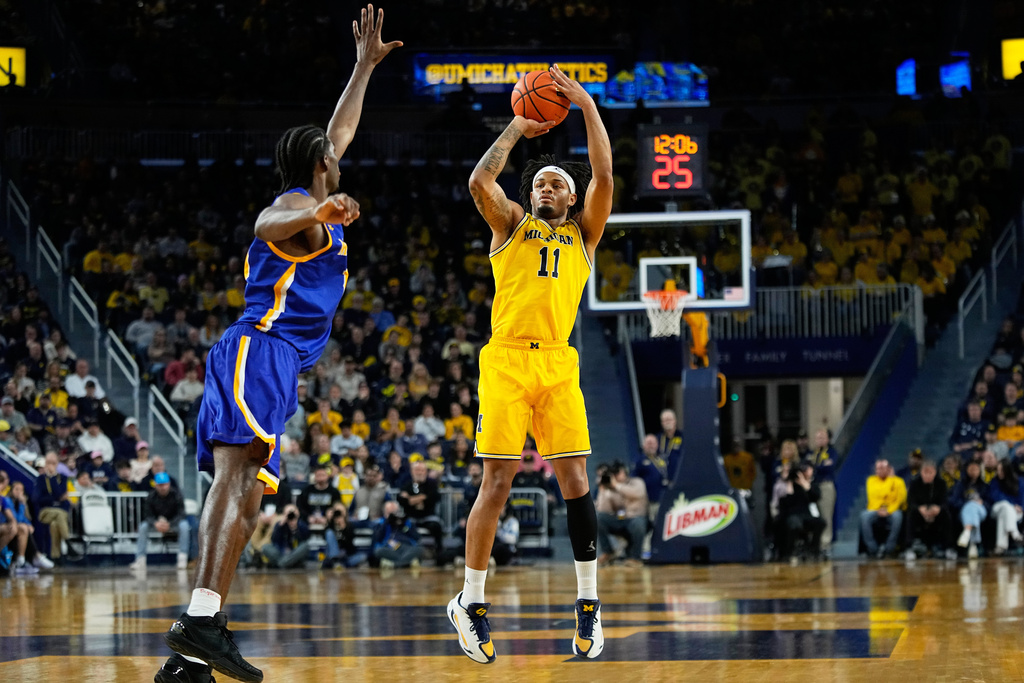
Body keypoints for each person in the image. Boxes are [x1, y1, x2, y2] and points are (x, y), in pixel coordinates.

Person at [156, 9, 401, 683]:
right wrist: (316, 212)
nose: (338, 148)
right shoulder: (295, 206)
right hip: (258, 349)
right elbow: (268, 220)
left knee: (241, 488)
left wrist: (363, 67)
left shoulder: (319, 177)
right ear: (321, 166)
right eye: (331, 151)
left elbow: (341, 130)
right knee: (238, 482)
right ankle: (200, 623)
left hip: (271, 360)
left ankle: (190, 654)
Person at [448, 63, 613, 664]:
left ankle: (589, 608)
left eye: (556, 184)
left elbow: (603, 173)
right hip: (508, 361)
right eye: (539, 183)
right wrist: (519, 126)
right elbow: (478, 181)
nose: (546, 188)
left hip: (557, 363)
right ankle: (471, 601)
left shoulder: (585, 236)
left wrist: (588, 107)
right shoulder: (511, 225)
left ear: (572, 199)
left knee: (576, 482)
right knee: (497, 481)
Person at [131, 472, 190, 571]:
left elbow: (181, 514)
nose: (163, 487)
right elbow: (147, 515)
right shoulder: (151, 496)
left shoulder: (176, 495)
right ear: (156, 485)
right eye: (160, 485)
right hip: (156, 524)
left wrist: (169, 524)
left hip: (173, 523)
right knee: (143, 527)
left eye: (165, 484)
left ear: (169, 484)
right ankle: (140, 559)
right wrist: (155, 523)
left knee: (184, 526)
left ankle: (182, 557)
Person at [595, 461, 649, 567]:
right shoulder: (612, 489)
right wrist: (603, 489)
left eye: (618, 472)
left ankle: (635, 557)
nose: (616, 476)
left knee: (638, 523)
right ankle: (608, 552)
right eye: (613, 474)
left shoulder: (637, 482)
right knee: (599, 518)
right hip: (620, 520)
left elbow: (637, 493)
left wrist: (617, 485)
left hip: (637, 519)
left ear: (625, 471)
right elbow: (604, 509)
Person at [905, 460, 955, 560]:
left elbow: (945, 501)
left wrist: (938, 508)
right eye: (925, 472)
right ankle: (909, 548)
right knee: (910, 514)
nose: (927, 475)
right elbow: (910, 502)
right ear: (921, 472)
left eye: (930, 472)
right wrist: (920, 509)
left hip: (936, 512)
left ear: (935, 472)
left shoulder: (941, 483)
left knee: (946, 514)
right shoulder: (914, 483)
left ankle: (949, 548)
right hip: (919, 512)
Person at [775, 462, 825, 560]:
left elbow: (815, 496)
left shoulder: (809, 484)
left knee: (820, 522)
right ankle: (790, 551)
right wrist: (789, 482)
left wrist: (803, 482)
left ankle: (813, 549)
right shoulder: (788, 485)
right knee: (794, 523)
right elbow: (786, 502)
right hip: (792, 514)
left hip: (806, 515)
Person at [859, 458, 907, 558]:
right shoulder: (871, 480)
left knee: (898, 516)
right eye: (878, 468)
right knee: (864, 516)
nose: (879, 470)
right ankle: (872, 548)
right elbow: (874, 496)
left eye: (882, 468)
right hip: (875, 509)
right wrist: (881, 508)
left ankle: (890, 547)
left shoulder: (898, 481)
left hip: (892, 510)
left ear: (889, 469)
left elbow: (900, 499)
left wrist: (888, 509)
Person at [32, 452, 72, 564]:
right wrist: (56, 499)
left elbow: (60, 494)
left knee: (55, 524)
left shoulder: (63, 478)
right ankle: (68, 542)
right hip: (45, 512)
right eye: (49, 463)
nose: (51, 466)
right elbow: (37, 498)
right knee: (59, 515)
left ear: (57, 464)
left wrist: (53, 478)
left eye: (54, 463)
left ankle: (55, 557)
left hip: (59, 512)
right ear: (45, 463)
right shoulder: (40, 479)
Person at [370, 500, 424, 569]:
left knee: (419, 549)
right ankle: (405, 563)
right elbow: (377, 538)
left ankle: (395, 564)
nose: (393, 515)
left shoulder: (407, 522)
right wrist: (387, 522)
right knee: (378, 551)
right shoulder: (381, 523)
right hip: (389, 548)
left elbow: (417, 537)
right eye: (390, 513)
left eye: (395, 512)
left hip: (406, 547)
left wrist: (404, 526)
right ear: (385, 512)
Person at [951, 460, 988, 559]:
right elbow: (954, 501)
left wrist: (982, 503)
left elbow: (990, 502)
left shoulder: (984, 485)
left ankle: (967, 532)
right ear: (966, 470)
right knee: (970, 506)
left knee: (973, 506)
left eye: (976, 469)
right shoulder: (960, 485)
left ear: (980, 470)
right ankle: (973, 544)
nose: (973, 471)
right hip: (964, 512)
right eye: (971, 469)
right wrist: (967, 503)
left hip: (981, 511)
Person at [987, 458, 1024, 556]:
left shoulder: (1019, 481)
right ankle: (1015, 534)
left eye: (1002, 470)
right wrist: (1012, 504)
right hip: (996, 509)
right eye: (998, 470)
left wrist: (1021, 508)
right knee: (1005, 505)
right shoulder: (994, 481)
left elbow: (1022, 497)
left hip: (1016, 512)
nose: (999, 472)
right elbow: (996, 497)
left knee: (1005, 513)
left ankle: (1000, 547)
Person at [261, 504, 311, 569]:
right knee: (265, 547)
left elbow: (306, 536)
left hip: (295, 553)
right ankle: (286, 563)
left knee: (305, 546)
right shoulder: (280, 524)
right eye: (288, 513)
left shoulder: (301, 524)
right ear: (284, 514)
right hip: (281, 552)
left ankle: (281, 564)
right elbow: (274, 540)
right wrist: (281, 525)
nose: (291, 515)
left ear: (297, 514)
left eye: (293, 513)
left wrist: (295, 527)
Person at [322, 504, 367, 569]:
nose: (339, 515)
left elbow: (350, 545)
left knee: (362, 556)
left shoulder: (349, 526)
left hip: (346, 556)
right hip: (333, 555)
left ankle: (339, 564)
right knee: (329, 533)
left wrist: (344, 528)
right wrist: (329, 521)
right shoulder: (330, 527)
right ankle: (336, 562)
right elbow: (324, 537)